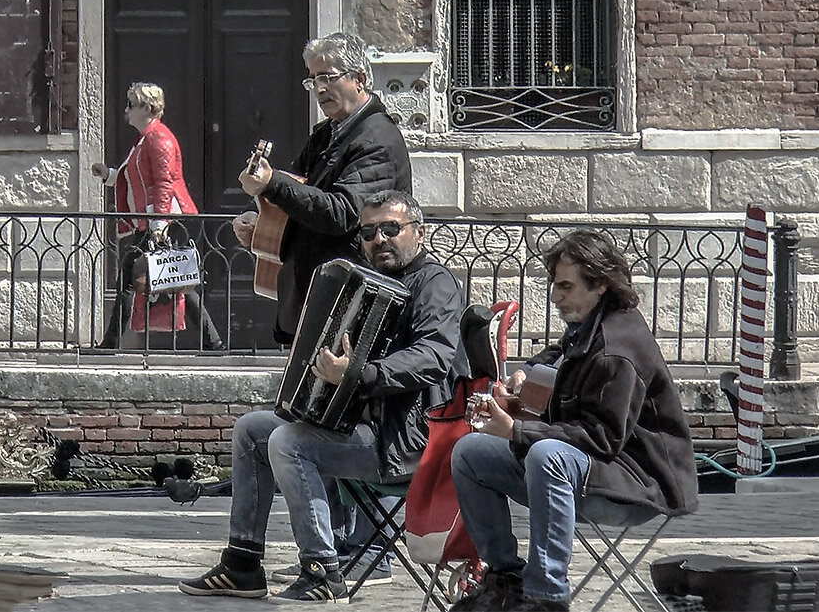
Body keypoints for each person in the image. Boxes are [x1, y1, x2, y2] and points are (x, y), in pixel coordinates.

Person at [180, 190, 468, 603]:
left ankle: (322, 571)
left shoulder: (434, 283)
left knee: (289, 443)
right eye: (369, 232)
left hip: (406, 440)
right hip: (363, 425)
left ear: (418, 233)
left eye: (391, 229)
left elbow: (433, 356)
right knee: (252, 429)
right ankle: (243, 564)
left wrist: (357, 373)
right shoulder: (369, 282)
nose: (380, 239)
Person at [448, 229, 699, 612]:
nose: (554, 295)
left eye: (565, 286)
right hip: (581, 476)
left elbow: (601, 439)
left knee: (545, 454)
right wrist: (525, 378)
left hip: (637, 486)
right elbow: (561, 353)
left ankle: (546, 595)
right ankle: (505, 580)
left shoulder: (618, 349)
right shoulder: (589, 322)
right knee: (470, 450)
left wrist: (515, 430)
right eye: (554, 284)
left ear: (599, 284)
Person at [233, 32, 412, 345]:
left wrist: (272, 183)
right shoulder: (326, 133)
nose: (319, 88)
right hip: (313, 297)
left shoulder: (377, 140)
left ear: (358, 78)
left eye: (328, 77)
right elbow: (295, 188)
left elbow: (343, 213)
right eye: (313, 80)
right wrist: (257, 218)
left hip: (347, 303)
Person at [92, 82, 224, 351]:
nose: (126, 110)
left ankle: (109, 345)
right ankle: (214, 343)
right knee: (175, 281)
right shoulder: (145, 139)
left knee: (167, 281)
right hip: (155, 221)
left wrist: (159, 225)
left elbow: (164, 183)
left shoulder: (157, 138)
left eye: (132, 105)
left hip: (166, 221)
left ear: (148, 108)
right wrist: (109, 175)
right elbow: (138, 179)